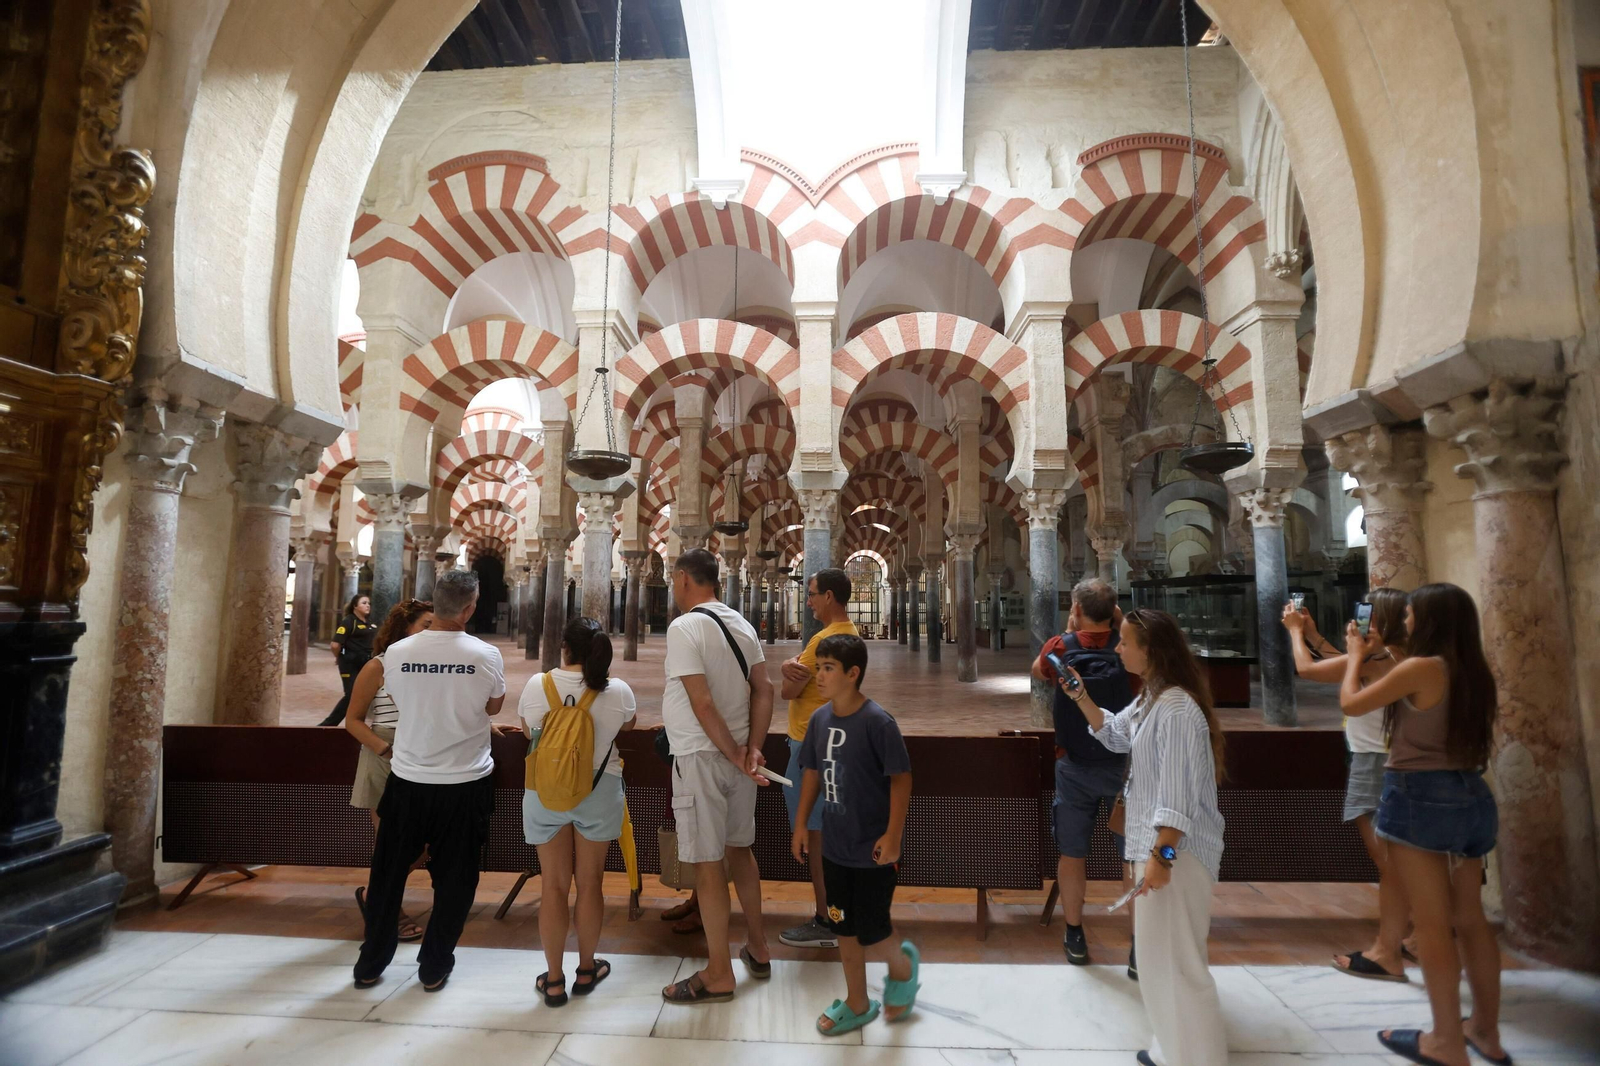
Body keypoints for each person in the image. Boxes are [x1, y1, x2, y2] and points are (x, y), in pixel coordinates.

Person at [1339, 583, 1503, 1066]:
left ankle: (1446, 1042)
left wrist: (1354, 656)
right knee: (1470, 920)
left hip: (1420, 796)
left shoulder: (1419, 668)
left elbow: (1351, 703)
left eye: (1410, 614)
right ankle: (1485, 1032)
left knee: (1431, 927)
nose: (1405, 621)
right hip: (1471, 792)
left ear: (1428, 620)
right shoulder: (1474, 672)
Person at [1061, 607, 1228, 1066]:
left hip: (1176, 856)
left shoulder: (1174, 708)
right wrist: (1080, 697)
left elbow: (1177, 798)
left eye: (1126, 641)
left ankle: (1199, 1058)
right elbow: (1115, 735)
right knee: (1158, 963)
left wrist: (1163, 859)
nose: (1118, 648)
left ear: (1150, 651)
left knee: (1180, 966)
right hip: (1157, 851)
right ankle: (1173, 1049)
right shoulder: (1154, 697)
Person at [349, 568, 508, 992]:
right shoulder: (486, 655)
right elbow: (493, 708)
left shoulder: (396, 654)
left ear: (434, 603)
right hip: (465, 783)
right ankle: (434, 965)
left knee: (388, 874)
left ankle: (371, 963)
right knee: (455, 881)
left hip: (409, 780)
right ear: (471, 607)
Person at [659, 548, 775, 1004]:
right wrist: (752, 750)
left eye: (673, 578)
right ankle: (760, 948)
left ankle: (719, 972)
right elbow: (764, 689)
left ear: (685, 578)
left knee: (708, 866)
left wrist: (731, 752)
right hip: (742, 763)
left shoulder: (685, 626)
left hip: (703, 759)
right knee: (740, 853)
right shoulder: (741, 624)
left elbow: (701, 702)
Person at [1283, 588, 1413, 982]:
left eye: (1366, 615)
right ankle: (1411, 937)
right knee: (1396, 862)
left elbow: (1307, 670)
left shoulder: (1378, 660)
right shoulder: (1396, 658)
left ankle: (1390, 948)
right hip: (1389, 759)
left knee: (1387, 863)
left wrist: (1293, 633)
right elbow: (1341, 664)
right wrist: (1317, 636)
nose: (1358, 621)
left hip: (1375, 763)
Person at [793, 633, 919, 1036]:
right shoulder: (819, 719)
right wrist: (801, 824)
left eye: (828, 669)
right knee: (841, 924)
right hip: (835, 845)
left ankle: (902, 967)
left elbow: (901, 780)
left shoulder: (877, 723)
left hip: (872, 849)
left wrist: (893, 835)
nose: (820, 677)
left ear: (853, 673)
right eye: (818, 669)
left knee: (874, 930)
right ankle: (858, 1001)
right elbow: (811, 773)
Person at [518, 616, 636, 1007]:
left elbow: (526, 730)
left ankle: (553, 980)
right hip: (598, 791)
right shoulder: (617, 691)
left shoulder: (539, 685)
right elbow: (629, 724)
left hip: (545, 792)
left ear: (563, 647)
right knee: (590, 884)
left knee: (553, 886)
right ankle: (587, 968)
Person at [1031, 577, 1135, 971]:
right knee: (1131, 858)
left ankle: (1074, 931)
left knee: (1073, 853)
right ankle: (1140, 941)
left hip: (1075, 765)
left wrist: (1071, 631)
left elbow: (1038, 671)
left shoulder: (1060, 648)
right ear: (1114, 613)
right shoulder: (1129, 648)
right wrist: (1121, 627)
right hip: (1124, 767)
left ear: (1075, 608)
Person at [777, 567, 859, 949]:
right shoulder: (850, 635)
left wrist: (784, 669)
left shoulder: (822, 641)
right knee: (824, 834)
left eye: (812, 594)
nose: (809, 601)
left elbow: (788, 693)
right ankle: (837, 913)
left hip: (809, 747)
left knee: (816, 836)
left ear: (829, 597)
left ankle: (828, 918)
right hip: (832, 745)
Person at [344, 597, 434, 942]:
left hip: (422, 757)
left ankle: (373, 896)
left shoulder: (431, 667)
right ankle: (388, 912)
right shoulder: (378, 666)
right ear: (404, 629)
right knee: (393, 845)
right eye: (426, 625)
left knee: (421, 845)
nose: (431, 633)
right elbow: (352, 721)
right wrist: (386, 750)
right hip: (385, 756)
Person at [321, 594, 375, 725]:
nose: (367, 605)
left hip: (364, 663)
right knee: (351, 694)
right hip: (350, 663)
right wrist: (338, 658)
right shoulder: (349, 621)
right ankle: (328, 724)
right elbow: (335, 644)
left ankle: (357, 723)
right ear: (355, 606)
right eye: (363, 603)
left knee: (363, 695)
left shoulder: (369, 623)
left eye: (368, 603)